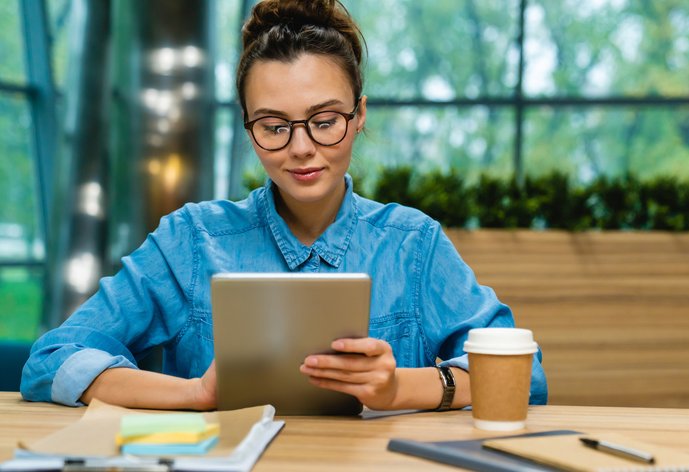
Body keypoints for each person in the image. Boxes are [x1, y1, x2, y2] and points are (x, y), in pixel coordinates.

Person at [21, 0, 547, 411]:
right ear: (249, 129)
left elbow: (525, 374)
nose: (301, 148)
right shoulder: (190, 240)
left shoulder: (414, 243)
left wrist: (400, 388)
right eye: (274, 126)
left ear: (359, 115)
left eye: (324, 121)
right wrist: (195, 394)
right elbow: (50, 360)